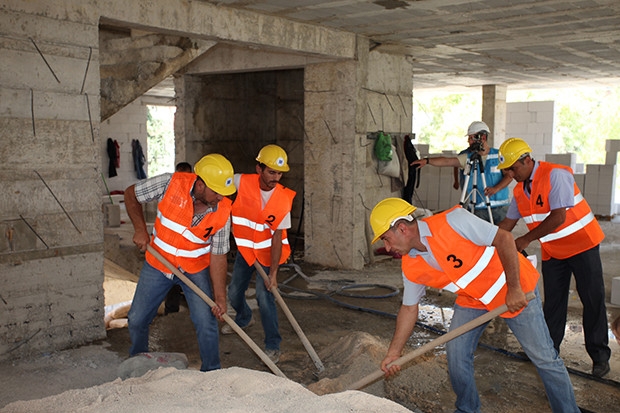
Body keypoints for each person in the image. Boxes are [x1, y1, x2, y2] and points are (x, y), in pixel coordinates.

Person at [370, 197, 580, 413]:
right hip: (474, 299)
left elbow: (505, 239)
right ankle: (467, 409)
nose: (387, 247)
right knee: (456, 352)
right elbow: (409, 308)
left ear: (402, 229)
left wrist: (515, 288)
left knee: (544, 357)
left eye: (386, 239)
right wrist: (394, 353)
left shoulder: (453, 221)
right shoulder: (411, 266)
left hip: (513, 288)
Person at [496, 138, 611, 378]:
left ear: (527, 160)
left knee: (592, 300)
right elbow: (507, 225)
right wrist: (486, 240)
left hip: (582, 245)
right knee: (554, 304)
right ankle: (547, 351)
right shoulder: (519, 190)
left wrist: (525, 240)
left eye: (513, 168)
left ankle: (599, 356)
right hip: (554, 251)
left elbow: (558, 217)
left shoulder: (556, 175)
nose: (510, 173)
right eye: (506, 170)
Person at [124, 153, 236, 372]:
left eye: (224, 194)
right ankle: (139, 361)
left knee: (206, 322)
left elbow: (218, 255)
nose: (220, 198)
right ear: (200, 184)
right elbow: (131, 194)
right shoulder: (170, 183)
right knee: (137, 319)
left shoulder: (223, 212)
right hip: (158, 265)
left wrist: (220, 298)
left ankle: (212, 372)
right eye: (216, 192)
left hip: (194, 269)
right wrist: (139, 228)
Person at [222, 144, 296, 364]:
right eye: (271, 172)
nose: (276, 177)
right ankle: (244, 318)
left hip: (267, 254)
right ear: (259, 169)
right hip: (246, 250)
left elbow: (276, 238)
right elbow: (218, 182)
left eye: (279, 173)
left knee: (265, 298)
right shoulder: (241, 182)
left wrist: (273, 273)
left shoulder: (283, 199)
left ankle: (273, 344)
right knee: (234, 292)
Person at [413, 121, 512, 224]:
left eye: (471, 138)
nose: (469, 141)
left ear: (482, 137)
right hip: (478, 208)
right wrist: (427, 161)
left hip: (501, 208)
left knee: (501, 237)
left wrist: (496, 189)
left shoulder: (498, 155)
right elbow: (447, 161)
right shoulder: (467, 157)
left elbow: (509, 176)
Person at [163, 161, 196, 315]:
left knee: (194, 279)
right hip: (172, 245)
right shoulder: (170, 194)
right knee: (171, 278)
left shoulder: (196, 195)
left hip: (191, 247)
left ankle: (194, 306)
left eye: (187, 176)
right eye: (180, 176)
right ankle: (171, 309)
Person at [402, 134, 419, 204]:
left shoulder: (409, 147)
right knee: (408, 191)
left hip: (411, 171)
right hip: (411, 171)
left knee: (409, 191)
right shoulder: (409, 147)